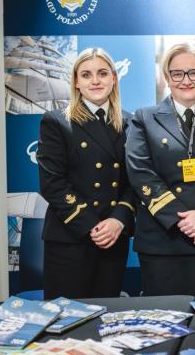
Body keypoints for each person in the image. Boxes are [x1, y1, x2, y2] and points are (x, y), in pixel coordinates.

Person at [126, 41, 195, 300]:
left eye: (194, 72)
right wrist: (185, 221)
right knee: (164, 318)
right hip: (162, 241)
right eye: (177, 73)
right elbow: (141, 173)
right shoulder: (144, 119)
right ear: (167, 77)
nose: (186, 80)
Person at [37, 47, 135, 299]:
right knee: (69, 317)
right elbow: (52, 183)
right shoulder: (57, 121)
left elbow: (134, 181)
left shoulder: (130, 123)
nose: (95, 81)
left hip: (113, 237)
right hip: (71, 238)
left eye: (102, 73)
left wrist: (118, 220)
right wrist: (93, 225)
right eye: (86, 75)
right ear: (76, 82)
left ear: (114, 78)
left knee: (107, 314)